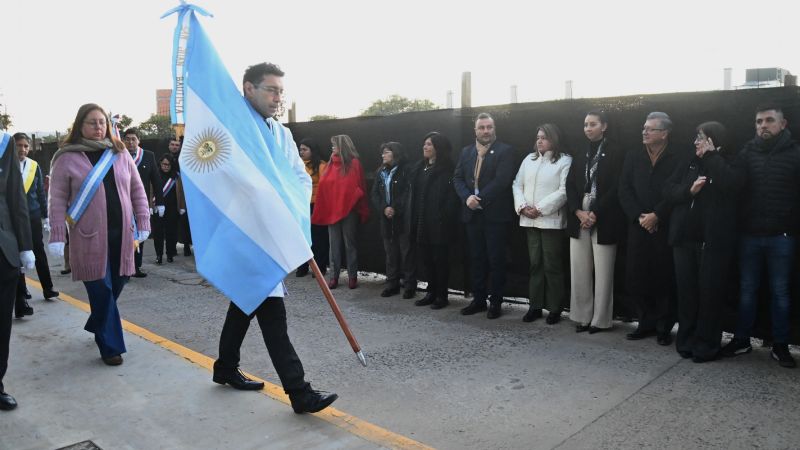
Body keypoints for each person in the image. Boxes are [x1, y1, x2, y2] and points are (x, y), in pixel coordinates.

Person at [212, 62, 338, 414]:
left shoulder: (281, 134)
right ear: (248, 89)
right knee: (272, 314)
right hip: (246, 236)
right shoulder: (231, 131)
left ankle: (224, 367)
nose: (277, 97)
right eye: (271, 89)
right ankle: (300, 392)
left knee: (245, 302)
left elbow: (299, 178)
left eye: (281, 91)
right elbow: (225, 181)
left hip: (274, 233)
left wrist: (291, 215)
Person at [48, 103, 151, 366]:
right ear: (80, 125)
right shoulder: (66, 157)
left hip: (123, 233)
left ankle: (98, 322)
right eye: (92, 122)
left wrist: (143, 220)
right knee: (101, 288)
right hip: (88, 236)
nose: (98, 127)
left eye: (102, 122)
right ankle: (111, 346)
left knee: (119, 283)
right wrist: (58, 234)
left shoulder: (118, 153)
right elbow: (57, 199)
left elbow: (137, 190)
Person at [720, 104, 800, 368]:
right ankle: (742, 340)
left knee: (780, 293)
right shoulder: (747, 152)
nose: (763, 125)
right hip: (749, 236)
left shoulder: (795, 154)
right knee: (747, 291)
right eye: (758, 122)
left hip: (782, 237)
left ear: (783, 124)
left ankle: (780, 345)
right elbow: (733, 184)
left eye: (768, 120)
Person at [664, 121, 743, 363]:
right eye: (696, 138)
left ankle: (706, 345)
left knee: (710, 295)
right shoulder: (689, 161)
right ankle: (686, 341)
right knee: (687, 294)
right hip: (684, 240)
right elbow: (668, 189)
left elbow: (732, 184)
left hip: (714, 243)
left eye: (702, 138)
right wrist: (689, 190)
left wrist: (711, 157)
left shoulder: (731, 160)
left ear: (714, 140)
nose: (696, 143)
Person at [618, 112, 682, 346]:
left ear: (664, 133)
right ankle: (644, 322)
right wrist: (640, 216)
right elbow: (624, 189)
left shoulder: (678, 157)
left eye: (651, 129)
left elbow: (679, 189)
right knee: (636, 276)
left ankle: (664, 327)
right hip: (638, 226)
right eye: (644, 128)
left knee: (664, 277)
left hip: (664, 226)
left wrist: (657, 215)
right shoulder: (633, 155)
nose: (644, 132)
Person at [566, 111, 625, 333]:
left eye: (593, 124)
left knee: (604, 270)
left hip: (605, 214)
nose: (588, 128)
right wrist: (578, 212)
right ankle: (581, 316)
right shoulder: (580, 152)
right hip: (580, 213)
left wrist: (595, 212)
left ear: (604, 126)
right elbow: (570, 184)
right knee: (579, 268)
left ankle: (600, 320)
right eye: (585, 124)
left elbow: (617, 186)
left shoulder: (616, 151)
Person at [453, 112, 516, 319]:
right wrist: (466, 198)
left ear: (494, 129)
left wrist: (479, 199)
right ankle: (478, 300)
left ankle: (495, 302)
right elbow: (458, 178)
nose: (486, 131)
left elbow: (502, 180)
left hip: (495, 215)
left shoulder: (505, 151)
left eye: (489, 127)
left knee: (496, 259)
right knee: (476, 258)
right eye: (482, 128)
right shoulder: (466, 152)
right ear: (475, 130)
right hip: (472, 215)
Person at [512, 124, 572, 324]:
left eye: (544, 137)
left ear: (553, 139)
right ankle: (535, 306)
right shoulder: (528, 160)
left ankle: (555, 308)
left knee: (552, 265)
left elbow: (564, 191)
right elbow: (517, 184)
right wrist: (522, 206)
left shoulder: (564, 161)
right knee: (535, 264)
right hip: (529, 220)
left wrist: (539, 208)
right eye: (538, 137)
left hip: (551, 221)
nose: (539, 141)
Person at [0, 132, 35, 411]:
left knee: (1, 326)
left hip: (2, 251)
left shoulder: (3, 142)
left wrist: (25, 245)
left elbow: (15, 195)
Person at [311, 134, 369, 289]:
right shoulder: (331, 164)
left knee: (350, 244)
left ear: (342, 146)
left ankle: (352, 277)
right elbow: (325, 186)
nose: (332, 148)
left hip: (349, 210)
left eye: (334, 145)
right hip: (332, 210)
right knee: (333, 245)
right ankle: (333, 277)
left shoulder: (354, 164)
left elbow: (359, 186)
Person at [410, 132, 459, 309]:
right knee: (426, 260)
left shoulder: (448, 170)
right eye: (425, 143)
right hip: (422, 223)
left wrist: (443, 217)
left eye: (429, 144)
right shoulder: (419, 169)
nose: (425, 147)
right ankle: (430, 292)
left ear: (438, 148)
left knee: (440, 261)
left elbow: (452, 198)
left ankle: (441, 295)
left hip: (440, 225)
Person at [14, 133, 59, 318]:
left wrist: (46, 215)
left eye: (25, 146)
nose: (22, 149)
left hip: (32, 217)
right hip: (14, 218)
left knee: (38, 252)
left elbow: (41, 191)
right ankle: (22, 292)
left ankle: (48, 288)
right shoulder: (6, 165)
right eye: (19, 145)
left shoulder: (34, 166)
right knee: (17, 255)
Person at [370, 142, 416, 298]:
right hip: (386, 219)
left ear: (395, 153)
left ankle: (410, 285)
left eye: (386, 152)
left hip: (402, 219)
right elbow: (375, 194)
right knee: (390, 253)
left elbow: (407, 192)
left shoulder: (406, 171)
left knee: (406, 252)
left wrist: (395, 207)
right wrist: (384, 208)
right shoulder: (380, 172)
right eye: (382, 152)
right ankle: (392, 284)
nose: (383, 155)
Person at [123, 128, 164, 277]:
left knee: (140, 234)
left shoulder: (148, 156)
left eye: (133, 139)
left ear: (139, 140)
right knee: (124, 234)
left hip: (141, 203)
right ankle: (125, 266)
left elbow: (156, 180)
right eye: (127, 139)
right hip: (122, 203)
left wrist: (160, 202)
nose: (130, 142)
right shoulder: (119, 155)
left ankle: (136, 266)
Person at [294, 137, 328, 278]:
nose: (301, 152)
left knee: (318, 237)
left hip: (317, 205)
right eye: (300, 149)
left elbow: (325, 187)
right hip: (300, 205)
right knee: (302, 238)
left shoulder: (322, 166)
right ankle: (302, 266)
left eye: (304, 149)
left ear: (312, 151)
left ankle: (319, 267)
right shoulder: (296, 164)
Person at [152, 154, 180, 264]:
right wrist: (151, 205)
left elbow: (181, 194)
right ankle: (159, 255)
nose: (166, 166)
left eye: (168, 164)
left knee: (171, 233)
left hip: (172, 209)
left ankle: (169, 254)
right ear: (160, 164)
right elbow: (150, 191)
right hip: (157, 208)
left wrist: (181, 207)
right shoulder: (155, 175)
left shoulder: (176, 177)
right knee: (158, 234)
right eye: (164, 164)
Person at [167, 136, 193, 257]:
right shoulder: (164, 158)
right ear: (169, 145)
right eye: (172, 144)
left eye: (177, 145)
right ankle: (171, 249)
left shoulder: (185, 158)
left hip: (183, 194)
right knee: (171, 223)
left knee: (185, 223)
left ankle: (187, 246)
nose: (174, 147)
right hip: (170, 194)